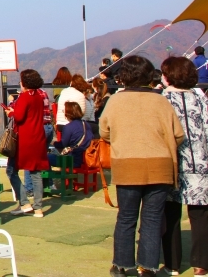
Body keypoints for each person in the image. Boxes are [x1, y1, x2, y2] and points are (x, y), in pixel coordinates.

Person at [100, 55, 185, 276]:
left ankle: (121, 265)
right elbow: (178, 135)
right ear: (149, 75)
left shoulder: (115, 101)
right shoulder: (161, 100)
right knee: (153, 218)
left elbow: (104, 132)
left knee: (126, 217)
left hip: (127, 165)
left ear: (123, 76)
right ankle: (148, 267)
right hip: (160, 166)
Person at [160, 56, 208, 277]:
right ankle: (201, 265)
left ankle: (173, 264)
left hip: (173, 164)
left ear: (168, 76)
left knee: (171, 215)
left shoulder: (163, 100)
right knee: (201, 216)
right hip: (202, 163)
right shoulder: (201, 98)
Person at [9, 69, 50, 218]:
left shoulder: (24, 97)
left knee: (11, 170)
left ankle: (24, 202)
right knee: (36, 173)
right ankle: (38, 208)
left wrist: (11, 112)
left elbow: (19, 117)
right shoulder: (39, 96)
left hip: (25, 139)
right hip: (38, 137)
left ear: (24, 82)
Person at [48, 102, 93, 169]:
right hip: (87, 160)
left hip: (72, 160)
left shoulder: (68, 127)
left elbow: (63, 144)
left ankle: (49, 179)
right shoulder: (86, 124)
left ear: (68, 113)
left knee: (45, 158)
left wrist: (54, 143)